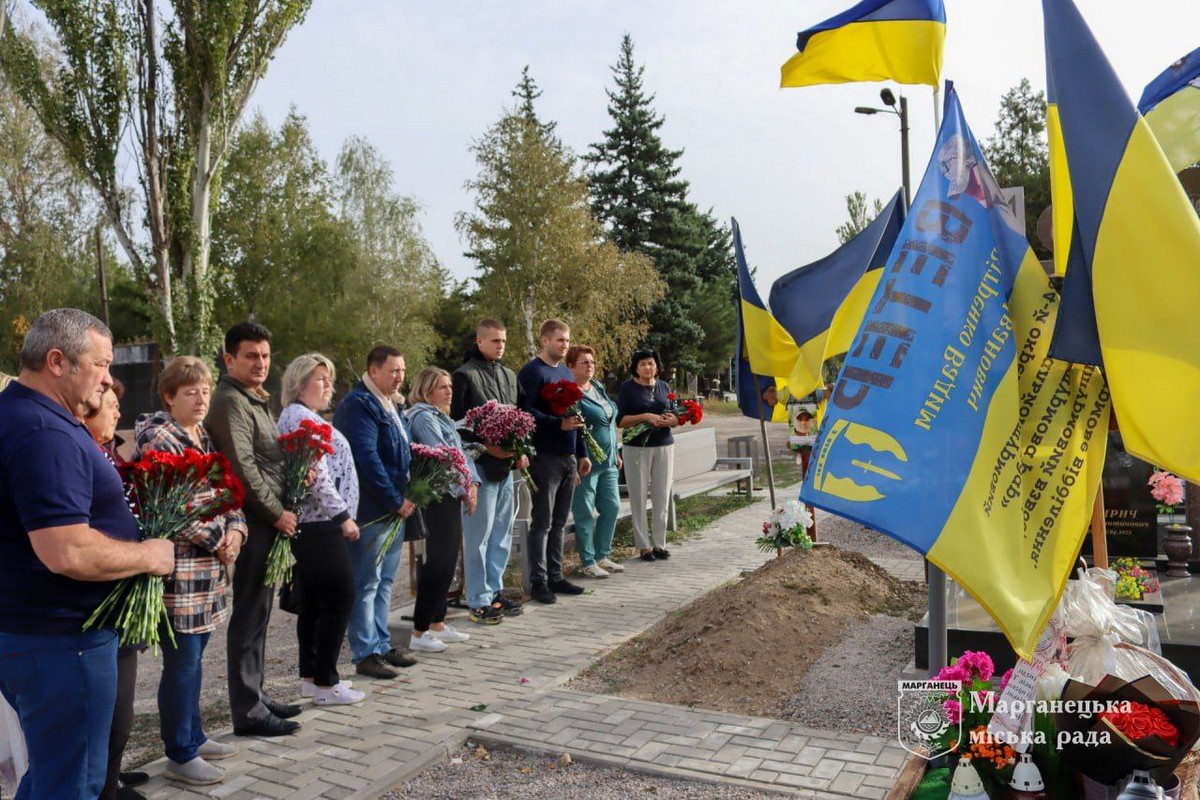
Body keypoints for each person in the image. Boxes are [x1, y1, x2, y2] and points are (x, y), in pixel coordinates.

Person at [0, 309, 174, 799]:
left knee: (54, 773)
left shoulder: (27, 416)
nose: (109, 379)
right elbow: (66, 550)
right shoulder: (43, 432)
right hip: (61, 642)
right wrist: (148, 556)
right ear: (58, 361)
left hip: (41, 638)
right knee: (72, 784)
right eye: (100, 364)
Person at [133, 356, 244, 785]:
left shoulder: (204, 436)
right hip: (181, 572)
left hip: (209, 571)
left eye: (204, 390)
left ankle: (193, 735)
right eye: (190, 391)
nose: (201, 399)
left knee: (196, 659)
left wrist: (237, 531)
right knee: (182, 662)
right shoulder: (161, 437)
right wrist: (223, 540)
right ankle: (180, 751)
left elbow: (228, 494)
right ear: (168, 396)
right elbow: (178, 504)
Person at [206, 322, 302, 737]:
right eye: (250, 355)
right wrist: (277, 512)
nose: (260, 363)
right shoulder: (230, 402)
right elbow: (242, 469)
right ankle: (247, 709)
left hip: (269, 521)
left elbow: (272, 460)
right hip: (253, 522)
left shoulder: (255, 400)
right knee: (248, 614)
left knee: (261, 612)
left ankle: (257, 695)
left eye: (264, 355)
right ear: (229, 359)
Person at [278, 354, 364, 705]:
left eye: (329, 379)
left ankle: (312, 679)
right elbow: (319, 478)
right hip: (320, 523)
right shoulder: (299, 418)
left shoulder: (301, 416)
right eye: (320, 379)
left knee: (313, 603)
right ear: (299, 382)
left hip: (315, 524)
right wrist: (343, 517)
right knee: (340, 597)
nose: (328, 385)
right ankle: (328, 682)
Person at [80, 379, 150, 800]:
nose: (119, 414)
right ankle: (104, 787)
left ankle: (111, 778)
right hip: (100, 606)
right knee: (106, 713)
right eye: (111, 405)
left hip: (122, 600)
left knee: (121, 710)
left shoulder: (109, 454)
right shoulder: (80, 456)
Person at [332, 346, 417, 680]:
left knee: (384, 582)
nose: (399, 377)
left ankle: (381, 645)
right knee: (365, 582)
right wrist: (394, 499)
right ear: (374, 370)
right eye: (394, 371)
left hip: (394, 509)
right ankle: (365, 652)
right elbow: (366, 459)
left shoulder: (391, 403)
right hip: (372, 510)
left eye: (402, 371)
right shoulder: (360, 404)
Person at [451, 319, 526, 625]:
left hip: (506, 466)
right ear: (479, 342)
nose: (500, 346)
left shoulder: (509, 375)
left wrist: (520, 451)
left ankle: (494, 590)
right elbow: (457, 428)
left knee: (501, 534)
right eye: (494, 341)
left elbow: (520, 416)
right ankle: (478, 598)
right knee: (478, 536)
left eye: (503, 341)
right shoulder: (464, 376)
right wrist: (485, 447)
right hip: (480, 468)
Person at [517, 320, 591, 604]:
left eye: (568, 340)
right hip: (544, 456)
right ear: (545, 340)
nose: (565, 345)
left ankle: (556, 576)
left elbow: (575, 414)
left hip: (568, 455)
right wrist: (555, 424)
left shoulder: (564, 372)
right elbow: (525, 413)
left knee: (560, 521)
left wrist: (581, 451)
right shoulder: (533, 372)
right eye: (560, 340)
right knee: (542, 522)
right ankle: (539, 582)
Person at [406, 368, 480, 652]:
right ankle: (419, 629)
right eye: (441, 387)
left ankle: (437, 622)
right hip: (437, 495)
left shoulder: (440, 416)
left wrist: (472, 484)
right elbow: (444, 455)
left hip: (451, 492)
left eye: (449, 386)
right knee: (438, 561)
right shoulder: (424, 417)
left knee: (448, 560)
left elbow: (460, 453)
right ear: (426, 390)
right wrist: (466, 488)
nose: (449, 391)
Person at [566, 346, 624, 579]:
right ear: (570, 366)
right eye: (583, 362)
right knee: (584, 512)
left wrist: (617, 452)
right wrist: (575, 459)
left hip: (609, 461)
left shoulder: (598, 386)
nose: (590, 365)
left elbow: (610, 420)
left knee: (612, 507)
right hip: (586, 463)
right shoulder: (570, 394)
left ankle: (603, 555)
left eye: (591, 361)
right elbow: (572, 431)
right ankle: (588, 561)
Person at [616, 348, 678, 561]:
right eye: (642, 364)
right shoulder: (628, 388)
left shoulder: (664, 386)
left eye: (651, 363)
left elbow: (674, 412)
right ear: (636, 367)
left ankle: (660, 544)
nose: (647, 367)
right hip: (636, 448)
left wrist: (673, 420)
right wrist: (646, 417)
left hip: (664, 444)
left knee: (662, 494)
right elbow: (620, 420)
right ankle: (644, 546)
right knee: (639, 496)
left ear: (657, 366)